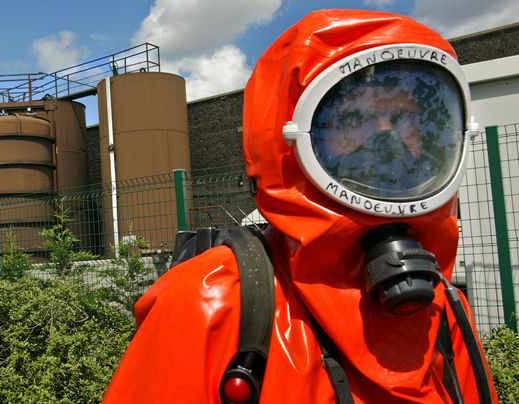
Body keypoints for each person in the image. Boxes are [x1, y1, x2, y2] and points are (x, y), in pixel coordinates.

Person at [103, 9, 497, 403]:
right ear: (285, 140)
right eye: (355, 118)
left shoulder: (442, 307)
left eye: (407, 117)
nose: (385, 137)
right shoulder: (210, 303)